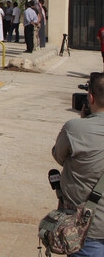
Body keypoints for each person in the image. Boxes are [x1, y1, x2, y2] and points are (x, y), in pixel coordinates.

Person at [52, 71, 104, 256]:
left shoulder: (74, 128)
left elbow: (59, 156)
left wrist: (84, 123)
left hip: (88, 231)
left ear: (91, 97)